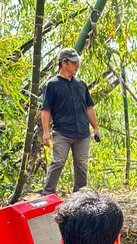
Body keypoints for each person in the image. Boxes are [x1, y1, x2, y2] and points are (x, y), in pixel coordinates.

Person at [41, 47, 100, 193]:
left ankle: (79, 198)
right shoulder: (52, 85)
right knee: (58, 162)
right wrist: (46, 132)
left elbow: (89, 108)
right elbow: (45, 110)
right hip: (62, 133)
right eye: (74, 63)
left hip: (82, 133)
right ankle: (47, 194)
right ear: (64, 63)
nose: (76, 66)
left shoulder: (81, 84)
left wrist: (96, 127)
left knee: (81, 166)